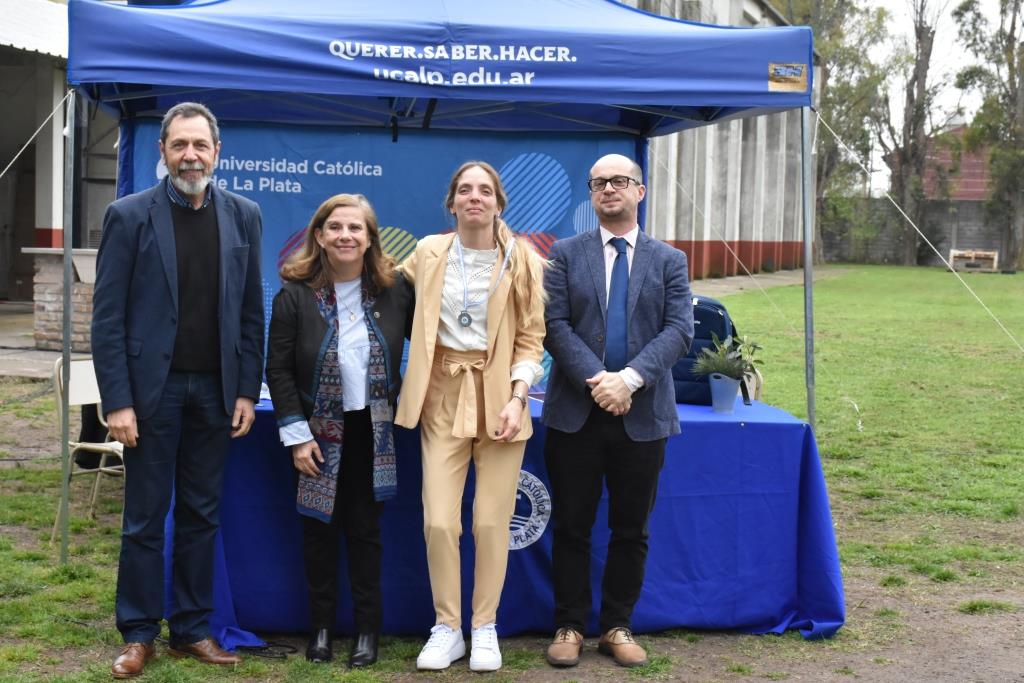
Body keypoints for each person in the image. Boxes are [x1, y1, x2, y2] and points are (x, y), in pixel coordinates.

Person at [91, 102, 264, 679]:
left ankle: (191, 627)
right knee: (144, 516)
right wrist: (117, 400)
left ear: (218, 152)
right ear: (163, 152)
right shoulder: (129, 215)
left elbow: (248, 314)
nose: (191, 155)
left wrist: (245, 390)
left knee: (201, 514)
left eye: (201, 145)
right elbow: (107, 316)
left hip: (216, 391)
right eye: (179, 145)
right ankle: (139, 633)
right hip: (149, 395)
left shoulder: (244, 215)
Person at [541, 154, 694, 668]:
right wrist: (599, 382)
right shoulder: (564, 254)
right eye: (600, 183)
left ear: (640, 191)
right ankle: (568, 626)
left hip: (643, 415)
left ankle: (616, 626)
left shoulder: (670, 259)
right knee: (571, 526)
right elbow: (554, 325)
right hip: (576, 414)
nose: (610, 188)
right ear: (591, 195)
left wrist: (628, 380)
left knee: (632, 529)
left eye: (620, 181)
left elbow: (679, 330)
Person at [395, 161, 546, 672]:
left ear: (499, 203)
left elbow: (532, 337)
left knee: (489, 521)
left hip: (502, 399)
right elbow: (384, 292)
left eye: (485, 190)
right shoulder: (426, 252)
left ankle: (484, 627)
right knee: (439, 519)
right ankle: (447, 627)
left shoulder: (522, 260)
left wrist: (519, 395)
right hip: (441, 394)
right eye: (465, 190)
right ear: (452, 203)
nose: (475, 197)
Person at [265, 193, 413, 667]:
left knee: (366, 532)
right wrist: (296, 434)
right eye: (336, 228)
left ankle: (368, 632)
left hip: (373, 430)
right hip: (315, 432)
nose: (346, 236)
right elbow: (279, 370)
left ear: (370, 238)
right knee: (318, 532)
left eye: (356, 228)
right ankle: (322, 629)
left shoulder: (396, 292)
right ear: (320, 235)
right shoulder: (294, 294)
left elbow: (432, 345)